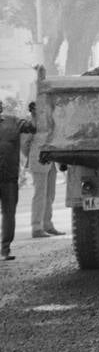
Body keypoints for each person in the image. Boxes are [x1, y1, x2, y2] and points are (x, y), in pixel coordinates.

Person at [1, 99, 37, 260]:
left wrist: (33, 114)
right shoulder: (12, 121)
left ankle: (5, 250)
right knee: (9, 213)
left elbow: (32, 127)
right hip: (9, 176)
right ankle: (4, 250)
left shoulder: (13, 121)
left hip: (9, 177)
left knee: (9, 213)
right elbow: (32, 127)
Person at [24, 102, 62, 238]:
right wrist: (32, 158)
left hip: (50, 162)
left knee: (50, 195)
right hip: (38, 162)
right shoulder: (31, 123)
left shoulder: (49, 121)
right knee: (40, 195)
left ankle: (47, 225)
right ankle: (36, 227)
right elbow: (25, 145)